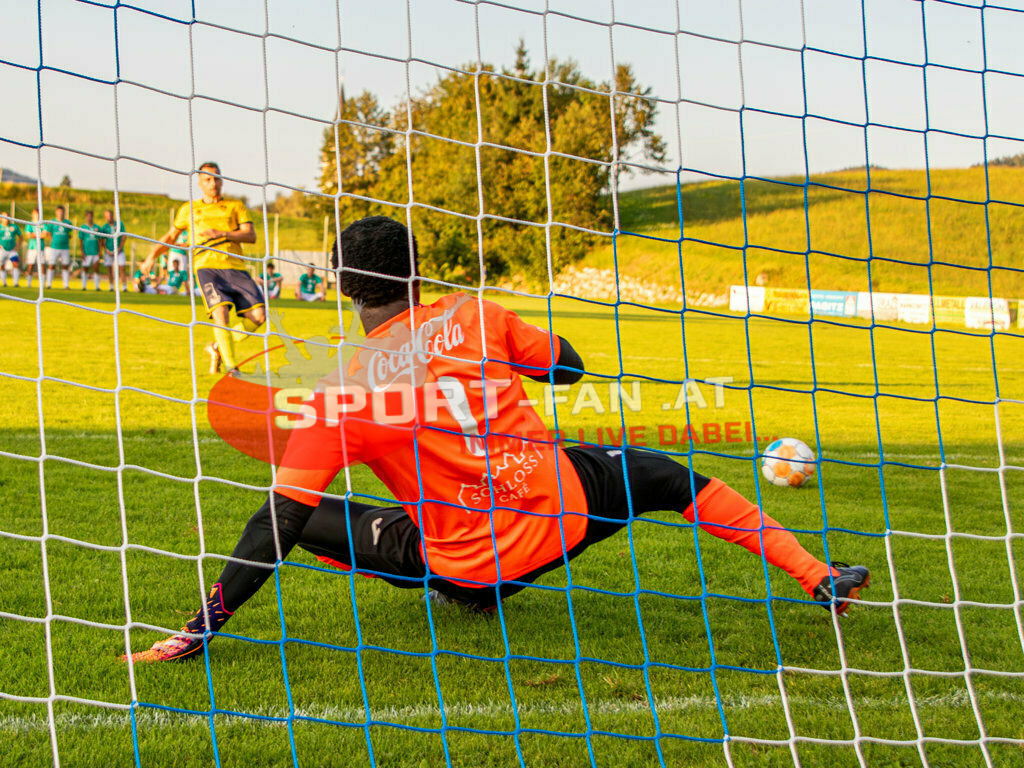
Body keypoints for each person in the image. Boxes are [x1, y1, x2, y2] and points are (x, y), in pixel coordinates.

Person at [126, 216, 869, 664]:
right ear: (415, 268)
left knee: (306, 515)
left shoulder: (340, 392)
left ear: (343, 287)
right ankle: (815, 574)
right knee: (667, 477)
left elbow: (277, 525)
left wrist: (201, 627)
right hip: (561, 515)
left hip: (468, 566)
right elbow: (569, 369)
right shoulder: (478, 314)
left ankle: (456, 589)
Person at [141, 162, 263, 376]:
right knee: (221, 314)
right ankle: (232, 368)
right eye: (207, 179)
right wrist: (152, 256)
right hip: (207, 267)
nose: (212, 183)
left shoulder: (236, 206)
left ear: (222, 181)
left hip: (235, 266)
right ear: (199, 183)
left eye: (216, 178)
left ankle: (217, 347)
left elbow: (250, 235)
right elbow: (171, 236)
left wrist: (223, 234)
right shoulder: (188, 209)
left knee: (259, 317)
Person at [43, 205, 73, 290]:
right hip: (54, 247)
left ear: (64, 212)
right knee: (51, 265)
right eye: (59, 211)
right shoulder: (52, 222)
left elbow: (70, 235)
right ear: (56, 212)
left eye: (62, 211)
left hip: (65, 248)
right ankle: (49, 284)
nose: (60, 213)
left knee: (65, 266)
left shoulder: (68, 223)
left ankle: (66, 285)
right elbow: (48, 233)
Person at [100, 209, 127, 291]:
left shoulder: (119, 224)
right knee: (109, 268)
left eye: (110, 215)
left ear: (112, 215)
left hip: (119, 251)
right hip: (108, 251)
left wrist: (119, 248)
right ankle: (111, 286)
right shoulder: (104, 227)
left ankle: (124, 287)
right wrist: (106, 249)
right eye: (107, 216)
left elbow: (124, 236)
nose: (109, 217)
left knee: (122, 267)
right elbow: (102, 240)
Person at [78, 210, 104, 291]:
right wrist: (82, 252)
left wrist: (100, 251)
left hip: (95, 252)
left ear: (93, 217)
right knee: (85, 269)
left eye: (91, 216)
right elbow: (81, 241)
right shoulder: (83, 228)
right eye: (88, 216)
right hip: (86, 252)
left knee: (96, 268)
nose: (89, 218)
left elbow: (100, 240)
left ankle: (97, 287)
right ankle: (84, 286)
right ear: (86, 217)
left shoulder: (97, 228)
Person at [23, 208, 46, 288]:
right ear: (32, 214)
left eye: (38, 213)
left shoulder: (43, 223)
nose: (37, 215)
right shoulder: (29, 223)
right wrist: (39, 235)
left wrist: (34, 235)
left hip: (41, 248)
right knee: (30, 265)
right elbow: (28, 235)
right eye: (35, 213)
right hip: (32, 248)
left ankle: (42, 284)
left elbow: (45, 234)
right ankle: (29, 283)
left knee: (42, 265)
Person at [0, 212, 22, 287]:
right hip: (2, 250)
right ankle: (4, 282)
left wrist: (17, 246)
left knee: (15, 264)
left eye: (7, 216)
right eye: (4, 217)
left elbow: (20, 237)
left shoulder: (14, 227)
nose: (6, 219)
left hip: (12, 250)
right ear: (1, 218)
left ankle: (16, 283)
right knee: (1, 266)